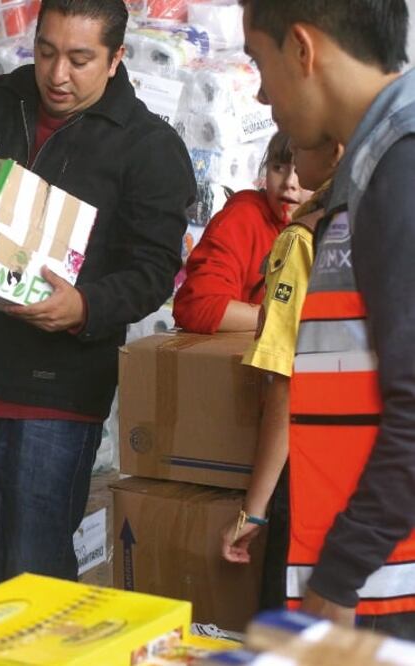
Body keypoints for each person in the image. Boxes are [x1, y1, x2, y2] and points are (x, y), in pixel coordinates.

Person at [0, 0, 195, 603]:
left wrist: (86, 307)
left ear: (116, 57)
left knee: (36, 578)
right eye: (46, 52)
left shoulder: (148, 147)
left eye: (80, 59)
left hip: (57, 397)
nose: (57, 74)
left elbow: (154, 271)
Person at [241, 0, 415, 636]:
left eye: (260, 62)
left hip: (387, 583)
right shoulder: (371, 166)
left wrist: (343, 570)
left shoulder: (402, 165)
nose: (262, 94)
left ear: (303, 52)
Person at [219, 139, 343, 612]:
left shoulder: (302, 239)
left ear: (334, 150)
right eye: (278, 164)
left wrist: (254, 510)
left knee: (293, 625)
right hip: (377, 474)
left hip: (313, 474)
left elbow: (288, 383)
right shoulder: (382, 223)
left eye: (299, 147)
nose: (289, 175)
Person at [173, 131, 310, 333]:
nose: (289, 182)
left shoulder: (339, 226)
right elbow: (197, 306)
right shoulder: (243, 218)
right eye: (278, 168)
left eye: (302, 169)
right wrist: (291, 321)